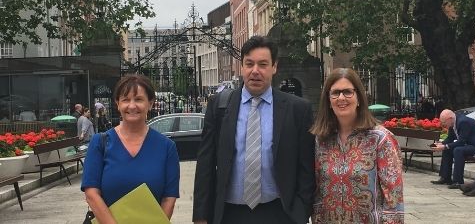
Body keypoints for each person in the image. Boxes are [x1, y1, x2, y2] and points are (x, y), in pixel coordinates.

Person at [193, 36, 315, 224]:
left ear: (274, 67)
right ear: (242, 67)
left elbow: (306, 167)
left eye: (263, 64)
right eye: (249, 64)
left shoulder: (298, 109)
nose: (255, 71)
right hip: (229, 214)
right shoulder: (219, 106)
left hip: (279, 213)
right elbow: (205, 165)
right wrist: (201, 216)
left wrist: (300, 213)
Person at [81, 74, 180, 223]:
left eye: (139, 99)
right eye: (126, 99)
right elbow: (91, 194)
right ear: (118, 103)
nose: (132, 106)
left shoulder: (166, 147)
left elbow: (169, 198)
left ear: (150, 103)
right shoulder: (100, 143)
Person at [310, 68, 404, 223]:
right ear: (328, 100)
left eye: (347, 92)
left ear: (359, 97)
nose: (341, 98)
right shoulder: (321, 140)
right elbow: (317, 191)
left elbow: (393, 196)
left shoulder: (380, 139)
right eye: (335, 93)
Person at [431, 109, 475, 188]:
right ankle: (445, 177)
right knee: (447, 150)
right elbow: (450, 138)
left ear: (450, 118)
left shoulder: (463, 122)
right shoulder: (452, 124)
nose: (443, 125)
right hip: (470, 144)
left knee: (458, 150)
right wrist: (440, 144)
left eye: (443, 122)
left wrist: (445, 146)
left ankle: (458, 181)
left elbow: (461, 142)